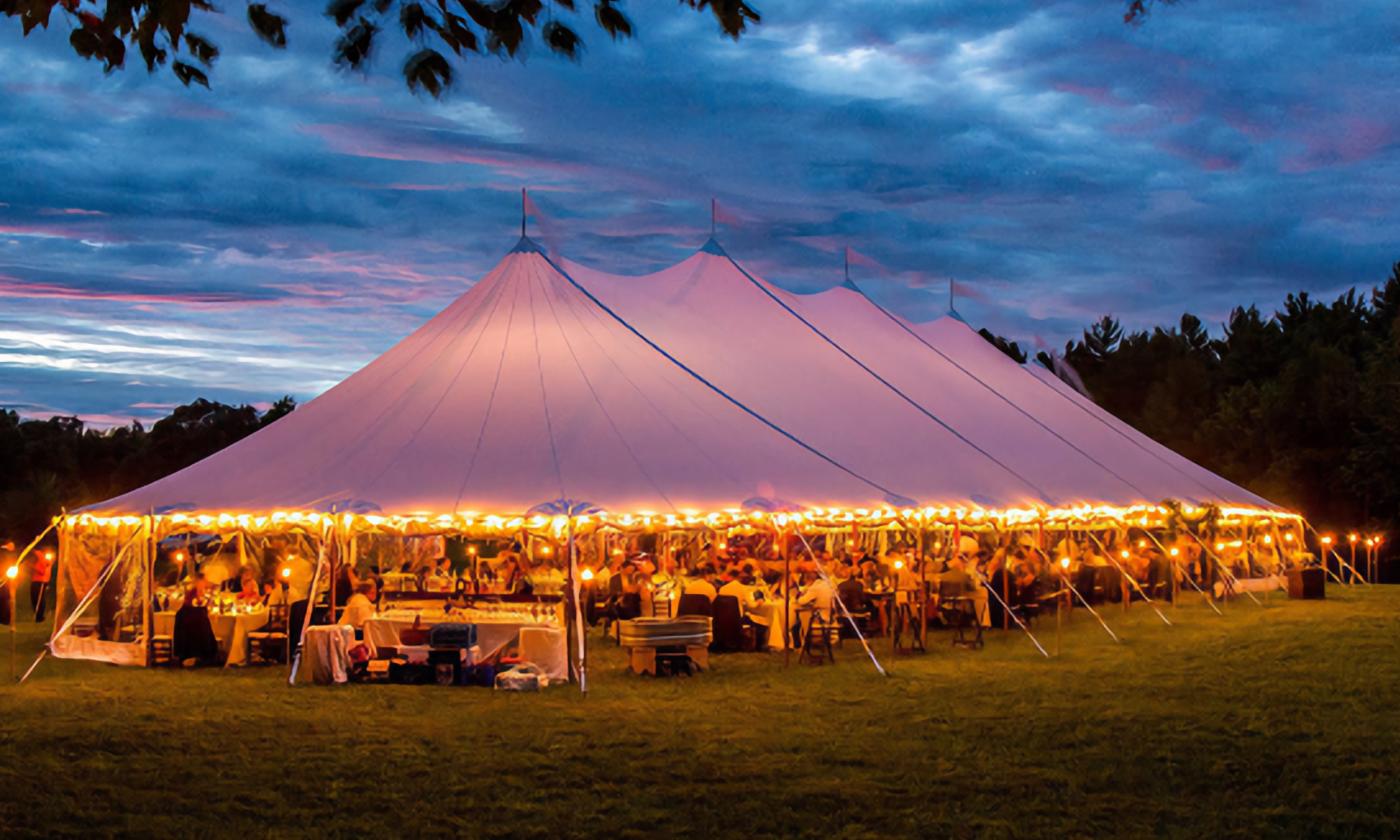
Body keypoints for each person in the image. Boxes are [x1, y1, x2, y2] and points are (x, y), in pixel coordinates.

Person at [173, 575, 220, 667]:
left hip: (195, 620)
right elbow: (196, 606)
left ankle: (203, 656)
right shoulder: (193, 593)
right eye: (203, 581)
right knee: (204, 626)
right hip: (192, 621)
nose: (205, 583)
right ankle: (200, 655)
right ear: (199, 582)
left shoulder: (203, 592)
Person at [30, 548, 53, 622]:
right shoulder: (38, 557)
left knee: (39, 598)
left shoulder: (41, 557)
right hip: (36, 580)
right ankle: (37, 615)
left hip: (40, 581)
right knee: (34, 598)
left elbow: (42, 571)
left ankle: (39, 616)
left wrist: (32, 567)